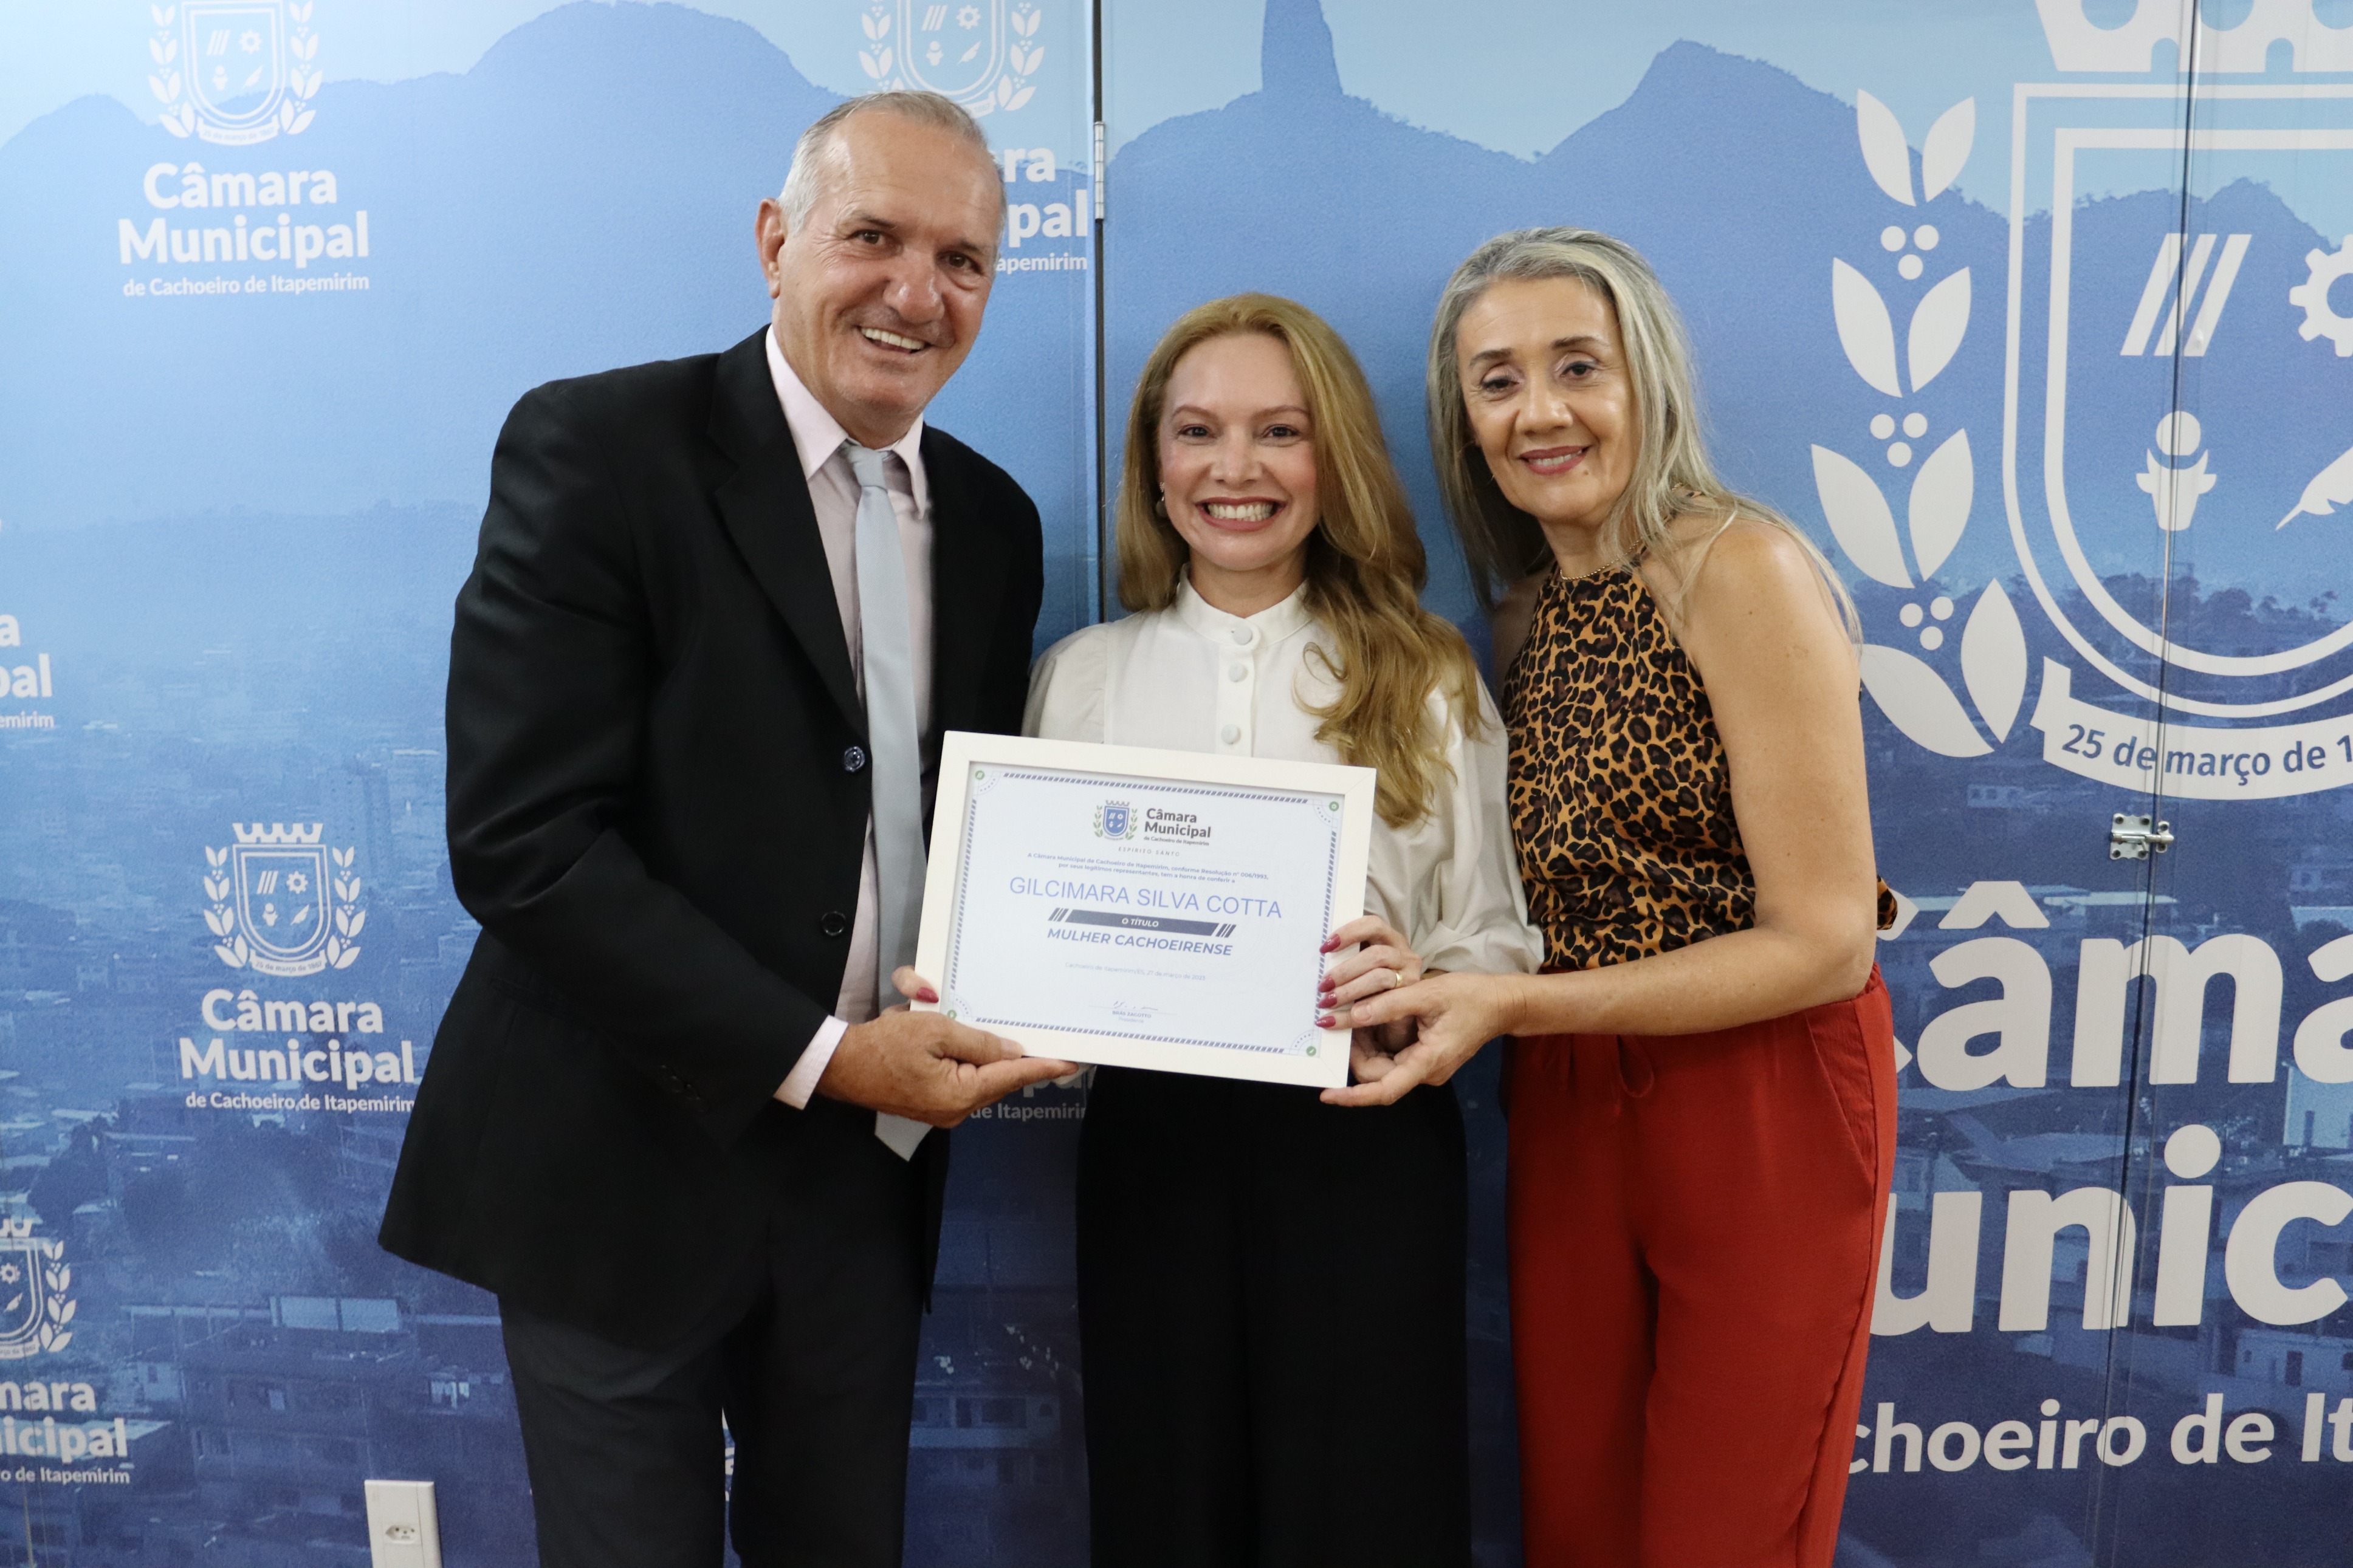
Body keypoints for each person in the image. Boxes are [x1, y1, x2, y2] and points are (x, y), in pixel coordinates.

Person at [377, 92, 1073, 1568]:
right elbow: (524, 842)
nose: (915, 293)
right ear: (774, 241)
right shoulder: (599, 448)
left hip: (862, 1182)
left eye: (961, 259)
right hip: (612, 1165)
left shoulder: (995, 524)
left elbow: (964, 832)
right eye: (873, 237)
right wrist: (822, 1052)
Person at [1325, 228, 1898, 1568]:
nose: (1540, 412)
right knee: (1578, 1521)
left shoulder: (1738, 568)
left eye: (1577, 366)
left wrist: (1514, 1003)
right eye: (1497, 381)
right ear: (1464, 421)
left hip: (1759, 1088)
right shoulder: (1520, 623)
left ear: (1647, 380)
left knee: (1722, 1534)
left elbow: (1825, 943)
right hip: (1571, 1093)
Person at [1028, 293, 1540, 1567]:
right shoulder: (1083, 674)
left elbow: (1493, 936)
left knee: (1365, 1515)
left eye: (1280, 431)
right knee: (1166, 1509)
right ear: (1154, 463)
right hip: (1150, 1151)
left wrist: (1419, 990)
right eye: (1197, 431)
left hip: (1363, 1143)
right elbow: (1037, 932)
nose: (1235, 468)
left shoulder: (1427, 672)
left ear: (1334, 458)